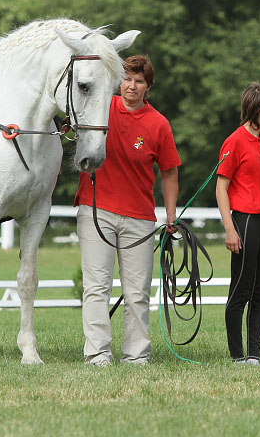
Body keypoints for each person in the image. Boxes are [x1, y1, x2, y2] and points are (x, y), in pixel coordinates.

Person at [73, 54, 180, 367]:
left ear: (148, 87)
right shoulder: (99, 108)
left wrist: (170, 214)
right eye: (128, 79)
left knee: (136, 293)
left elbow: (170, 172)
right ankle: (97, 354)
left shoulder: (158, 124)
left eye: (139, 81)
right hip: (96, 210)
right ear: (119, 80)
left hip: (140, 217)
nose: (132, 86)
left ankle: (136, 355)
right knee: (96, 286)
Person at [216, 82, 260, 366]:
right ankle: (237, 356)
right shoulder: (234, 142)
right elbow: (222, 188)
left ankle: (253, 355)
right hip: (245, 222)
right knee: (241, 290)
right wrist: (230, 228)